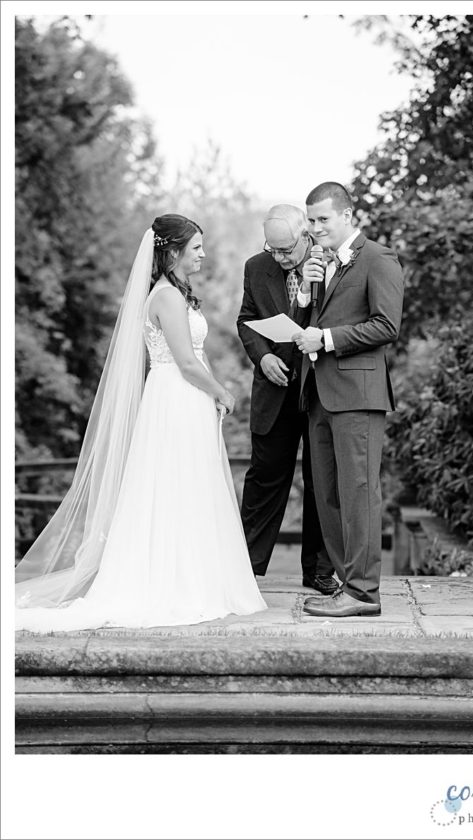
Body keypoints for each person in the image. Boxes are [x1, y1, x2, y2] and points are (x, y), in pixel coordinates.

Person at [15, 215, 267, 631]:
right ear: (172, 252)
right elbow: (186, 362)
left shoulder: (175, 293)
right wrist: (222, 391)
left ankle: (192, 576)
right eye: (196, 247)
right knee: (177, 485)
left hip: (180, 397)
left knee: (185, 485)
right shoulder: (166, 297)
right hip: (177, 396)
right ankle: (176, 583)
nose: (203, 254)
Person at [291, 182, 404, 618]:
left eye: (322, 219)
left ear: (347, 216)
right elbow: (311, 326)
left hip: (358, 394)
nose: (315, 227)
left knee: (359, 492)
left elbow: (386, 325)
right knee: (328, 496)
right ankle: (345, 582)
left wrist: (329, 338)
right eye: (311, 220)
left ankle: (363, 592)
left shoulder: (378, 258)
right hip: (319, 392)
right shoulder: (321, 265)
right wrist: (305, 294)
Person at [236, 204, 337, 595]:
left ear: (305, 235)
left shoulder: (328, 263)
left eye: (286, 250)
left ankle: (318, 571)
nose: (278, 258)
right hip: (273, 389)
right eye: (272, 250)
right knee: (264, 480)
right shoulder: (255, 267)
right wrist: (263, 357)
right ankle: (245, 568)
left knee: (320, 481)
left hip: (319, 389)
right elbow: (245, 319)